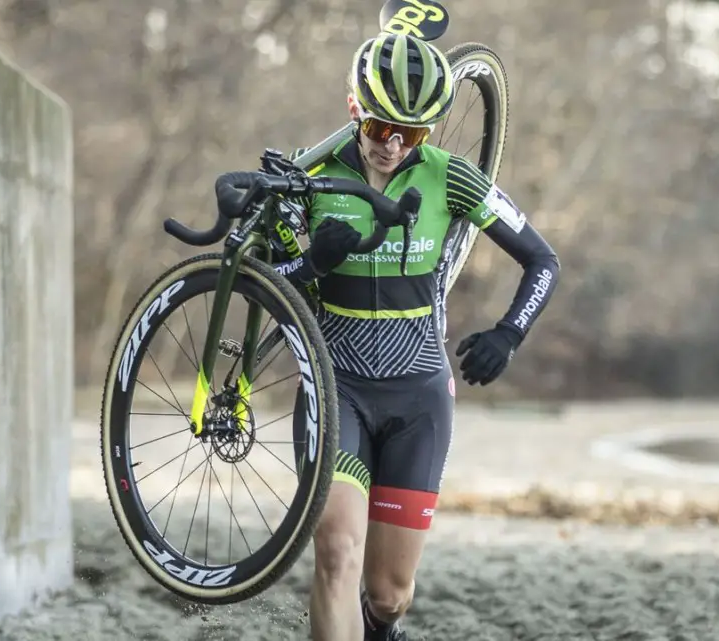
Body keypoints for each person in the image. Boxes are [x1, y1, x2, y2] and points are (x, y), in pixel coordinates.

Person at [268, 32, 561, 641]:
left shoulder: (450, 178)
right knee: (336, 554)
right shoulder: (311, 175)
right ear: (355, 109)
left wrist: (508, 334)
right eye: (380, 129)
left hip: (418, 397)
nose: (394, 146)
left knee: (389, 593)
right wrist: (308, 264)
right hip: (334, 387)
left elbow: (543, 262)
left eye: (414, 133)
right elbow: (264, 292)